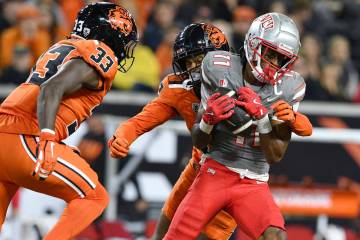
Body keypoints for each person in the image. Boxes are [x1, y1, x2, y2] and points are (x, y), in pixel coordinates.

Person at [164, 13, 312, 240]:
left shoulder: (290, 87)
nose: (275, 64)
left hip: (253, 181)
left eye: (282, 59)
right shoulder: (217, 67)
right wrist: (207, 121)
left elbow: (275, 155)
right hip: (216, 170)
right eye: (270, 53)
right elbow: (200, 142)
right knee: (177, 236)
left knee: (275, 236)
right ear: (253, 44)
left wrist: (263, 119)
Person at [0, 2, 138, 240]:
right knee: (94, 196)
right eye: (121, 38)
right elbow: (51, 88)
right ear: (107, 33)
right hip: (27, 135)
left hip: (5, 133)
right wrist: (47, 137)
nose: (123, 47)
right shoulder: (98, 51)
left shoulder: (64, 45)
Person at [108, 23, 237, 240]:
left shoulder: (244, 82)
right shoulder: (180, 90)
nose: (195, 68)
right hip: (200, 164)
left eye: (201, 59)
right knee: (163, 231)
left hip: (235, 173)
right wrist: (123, 135)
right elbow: (144, 119)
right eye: (190, 62)